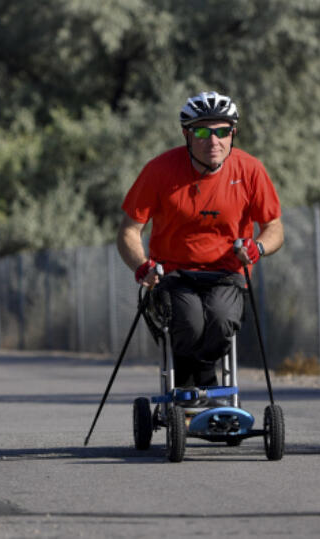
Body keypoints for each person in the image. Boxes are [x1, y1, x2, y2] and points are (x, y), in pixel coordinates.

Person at [116, 91, 284, 388]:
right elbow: (130, 230)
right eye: (203, 131)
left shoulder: (250, 170)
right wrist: (141, 266)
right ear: (187, 134)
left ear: (233, 133)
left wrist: (257, 248)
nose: (213, 141)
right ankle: (200, 386)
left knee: (221, 319)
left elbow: (274, 227)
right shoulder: (159, 170)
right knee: (189, 321)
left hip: (228, 273)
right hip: (173, 274)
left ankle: (197, 387)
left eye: (222, 132)